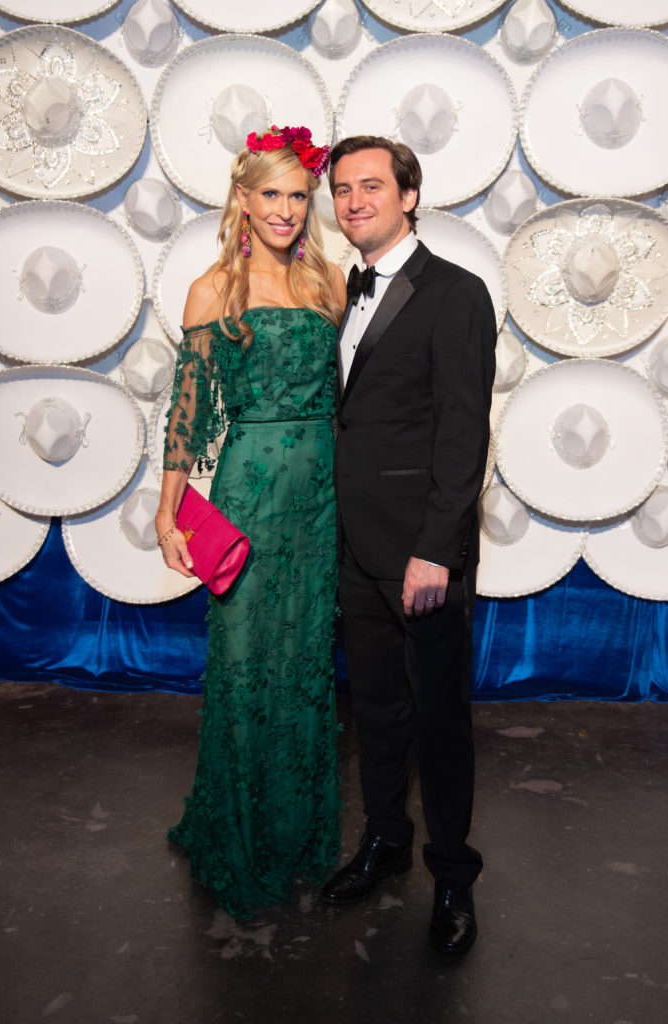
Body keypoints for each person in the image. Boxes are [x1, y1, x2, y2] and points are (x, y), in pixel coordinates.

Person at [155, 126, 346, 921]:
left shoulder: (328, 284)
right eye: (271, 194)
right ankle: (235, 832)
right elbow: (190, 411)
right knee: (241, 663)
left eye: (299, 196)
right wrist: (167, 511)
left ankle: (300, 834)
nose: (286, 210)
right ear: (242, 199)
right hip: (247, 489)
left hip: (322, 495)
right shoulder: (213, 290)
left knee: (304, 658)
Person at [321, 136, 496, 955]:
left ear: (409, 196)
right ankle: (386, 842)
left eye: (371, 186)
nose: (354, 200)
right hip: (356, 548)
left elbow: (463, 434)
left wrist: (435, 548)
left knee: (438, 723)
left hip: (421, 555)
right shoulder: (344, 291)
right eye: (343, 189)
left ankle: (453, 876)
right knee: (379, 713)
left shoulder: (454, 293)